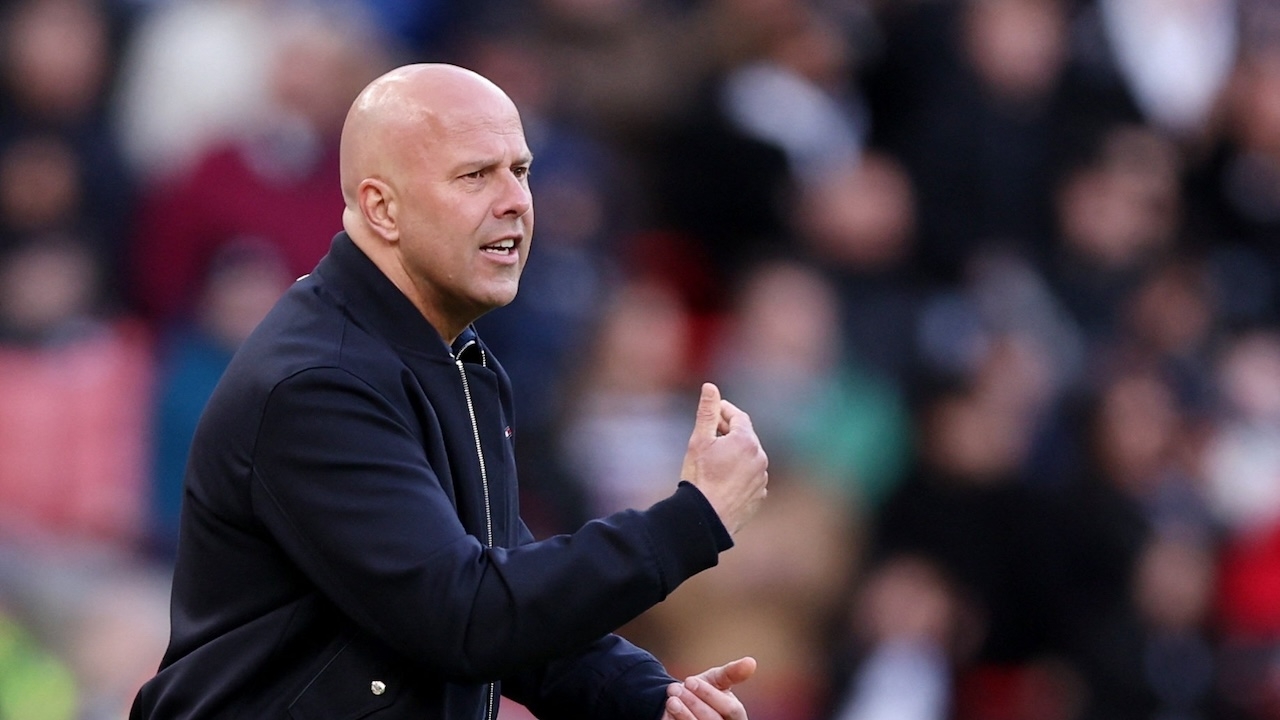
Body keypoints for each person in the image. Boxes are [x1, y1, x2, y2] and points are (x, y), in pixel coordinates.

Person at [128, 63, 770, 720]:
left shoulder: (454, 358)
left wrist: (643, 693)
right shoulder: (319, 382)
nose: (516, 200)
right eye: (475, 176)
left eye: (520, 170)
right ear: (382, 208)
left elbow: (503, 590)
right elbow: (466, 617)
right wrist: (691, 520)